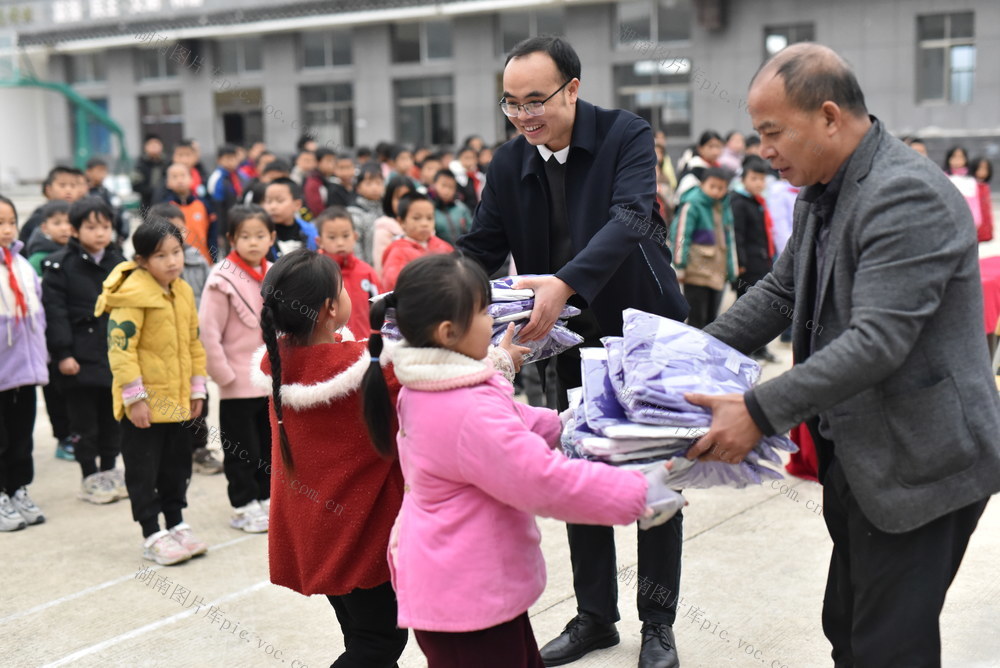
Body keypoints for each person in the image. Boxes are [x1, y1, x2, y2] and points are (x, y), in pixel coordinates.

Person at [692, 43, 1000, 667]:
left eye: (773, 132)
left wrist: (757, 408)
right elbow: (781, 293)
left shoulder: (904, 195)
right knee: (849, 630)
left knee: (889, 648)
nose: (764, 149)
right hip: (859, 451)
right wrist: (687, 354)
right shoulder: (821, 190)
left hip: (924, 461)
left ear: (829, 117)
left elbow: (877, 341)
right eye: (758, 134)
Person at [456, 35, 689, 668]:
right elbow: (480, 247)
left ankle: (659, 623)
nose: (525, 116)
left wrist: (565, 282)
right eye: (511, 104)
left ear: (573, 89)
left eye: (537, 100)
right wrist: (427, 300)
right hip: (565, 339)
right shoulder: (508, 164)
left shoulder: (625, 136)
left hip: (642, 332)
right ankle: (595, 616)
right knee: (576, 471)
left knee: (652, 479)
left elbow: (633, 216)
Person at [361, 253, 682, 668]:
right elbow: (542, 479)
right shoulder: (465, 409)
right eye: (483, 311)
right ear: (448, 331)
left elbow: (514, 421)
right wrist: (639, 493)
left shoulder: (430, 386)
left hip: (456, 586)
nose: (495, 320)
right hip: (469, 596)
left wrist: (571, 421)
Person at [254, 249, 408, 667]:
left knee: (360, 635)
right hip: (359, 536)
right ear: (329, 308)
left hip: (315, 531)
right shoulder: (362, 370)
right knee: (379, 644)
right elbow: (426, 386)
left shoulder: (279, 362)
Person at [96, 219, 209, 565]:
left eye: (176, 252)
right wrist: (135, 399)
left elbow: (193, 342)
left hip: (177, 401)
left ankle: (175, 522)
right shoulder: (132, 295)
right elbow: (121, 349)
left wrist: (196, 388)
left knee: (176, 466)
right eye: (161, 255)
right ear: (143, 260)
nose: (172, 261)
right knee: (143, 469)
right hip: (143, 405)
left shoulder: (183, 290)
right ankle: (151, 532)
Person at [41, 197, 127, 504]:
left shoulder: (120, 264)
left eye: (105, 226)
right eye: (91, 227)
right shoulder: (59, 265)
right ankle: (89, 475)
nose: (100, 233)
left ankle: (109, 470)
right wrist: (63, 354)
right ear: (75, 230)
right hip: (77, 358)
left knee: (112, 418)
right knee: (83, 422)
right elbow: (55, 313)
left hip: (114, 354)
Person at [199, 205, 276, 533]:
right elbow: (208, 331)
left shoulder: (275, 272)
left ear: (272, 237)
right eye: (245, 236)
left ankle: (266, 497)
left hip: (268, 379)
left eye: (260, 235)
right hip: (236, 381)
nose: (253, 242)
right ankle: (243, 504)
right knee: (241, 448)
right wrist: (223, 376)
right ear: (231, 239)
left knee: (268, 443)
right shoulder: (221, 279)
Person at [149, 203, 223, 478]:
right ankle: (173, 449)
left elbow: (210, 300)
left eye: (179, 229)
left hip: (194, 344)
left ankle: (199, 447)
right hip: (163, 349)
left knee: (199, 394)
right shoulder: (147, 270)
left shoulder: (197, 260)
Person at [0, 195, 49, 531]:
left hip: (25, 371)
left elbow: (40, 315)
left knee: (22, 435)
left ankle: (18, 488)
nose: (6, 229)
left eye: (11, 222)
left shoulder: (23, 265)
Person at [669, 167, 737, 330]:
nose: (716, 191)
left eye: (721, 188)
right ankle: (695, 353)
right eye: (712, 186)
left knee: (712, 320)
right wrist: (679, 265)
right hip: (696, 273)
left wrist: (732, 269)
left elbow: (729, 239)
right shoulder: (693, 203)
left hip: (717, 274)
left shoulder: (724, 206)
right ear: (702, 184)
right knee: (696, 320)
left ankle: (707, 354)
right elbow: (680, 234)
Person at [729, 156, 777, 362]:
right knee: (749, 306)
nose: (759, 183)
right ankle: (744, 348)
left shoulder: (758, 201)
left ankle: (760, 347)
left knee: (763, 307)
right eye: (754, 178)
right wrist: (740, 262)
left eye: (762, 179)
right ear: (744, 179)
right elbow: (737, 235)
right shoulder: (739, 202)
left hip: (762, 260)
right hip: (748, 265)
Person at [315, 206, 381, 340]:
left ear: (355, 237)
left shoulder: (366, 272)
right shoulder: (314, 272)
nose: (340, 243)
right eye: (332, 237)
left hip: (364, 345)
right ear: (320, 241)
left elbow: (381, 307)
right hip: (330, 346)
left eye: (346, 236)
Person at [380, 192, 452, 291]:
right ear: (401, 222)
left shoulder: (443, 246)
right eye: (416, 218)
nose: (424, 224)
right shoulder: (397, 252)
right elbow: (392, 285)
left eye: (429, 218)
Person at [18, 166, 84, 248]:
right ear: (49, 189)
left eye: (73, 186)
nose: (68, 190)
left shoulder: (80, 213)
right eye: (62, 185)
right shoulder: (40, 215)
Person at [163, 163, 216, 264]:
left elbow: (212, 233)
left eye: (183, 175)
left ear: (192, 179)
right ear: (168, 183)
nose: (179, 180)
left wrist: (214, 257)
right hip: (179, 262)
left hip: (204, 259)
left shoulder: (203, 204)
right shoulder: (166, 208)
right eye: (174, 177)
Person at [263, 178, 318, 257]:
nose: (272, 207)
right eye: (269, 201)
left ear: (297, 205)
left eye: (280, 201)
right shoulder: (262, 233)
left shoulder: (310, 232)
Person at [372, 175, 412, 280]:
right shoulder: (384, 229)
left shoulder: (421, 225)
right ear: (389, 200)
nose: (403, 203)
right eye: (398, 198)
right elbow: (381, 268)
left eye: (407, 198)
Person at [207, 144, 245, 251]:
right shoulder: (216, 178)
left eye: (234, 158)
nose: (231, 161)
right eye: (227, 158)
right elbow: (216, 208)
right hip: (224, 225)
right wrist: (219, 232)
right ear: (219, 160)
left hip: (238, 221)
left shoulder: (239, 176)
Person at [346, 163, 385, 266]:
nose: (374, 188)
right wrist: (363, 268)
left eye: (378, 183)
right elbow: (356, 246)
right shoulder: (354, 213)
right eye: (368, 184)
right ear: (358, 188)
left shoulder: (387, 209)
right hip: (367, 266)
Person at [26, 201, 72, 275]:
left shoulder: (82, 254)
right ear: (44, 228)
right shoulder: (37, 260)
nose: (64, 228)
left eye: (69, 222)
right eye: (57, 223)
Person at [675, 130, 724, 200]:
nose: (715, 151)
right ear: (700, 148)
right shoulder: (693, 168)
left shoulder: (717, 167)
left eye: (718, 147)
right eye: (711, 146)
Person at [429, 169, 472, 245]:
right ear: (434, 184)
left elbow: (470, 230)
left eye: (451, 187)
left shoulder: (461, 208)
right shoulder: (428, 208)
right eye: (443, 185)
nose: (447, 191)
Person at [131, 134, 168, 212]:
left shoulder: (167, 163)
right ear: (145, 147)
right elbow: (135, 186)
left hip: (165, 203)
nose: (154, 146)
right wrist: (153, 191)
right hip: (146, 204)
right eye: (151, 144)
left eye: (156, 143)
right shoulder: (140, 164)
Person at [972, 157, 993, 243]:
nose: (982, 171)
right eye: (980, 168)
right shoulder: (971, 185)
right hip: (975, 225)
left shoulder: (985, 187)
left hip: (985, 224)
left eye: (985, 168)